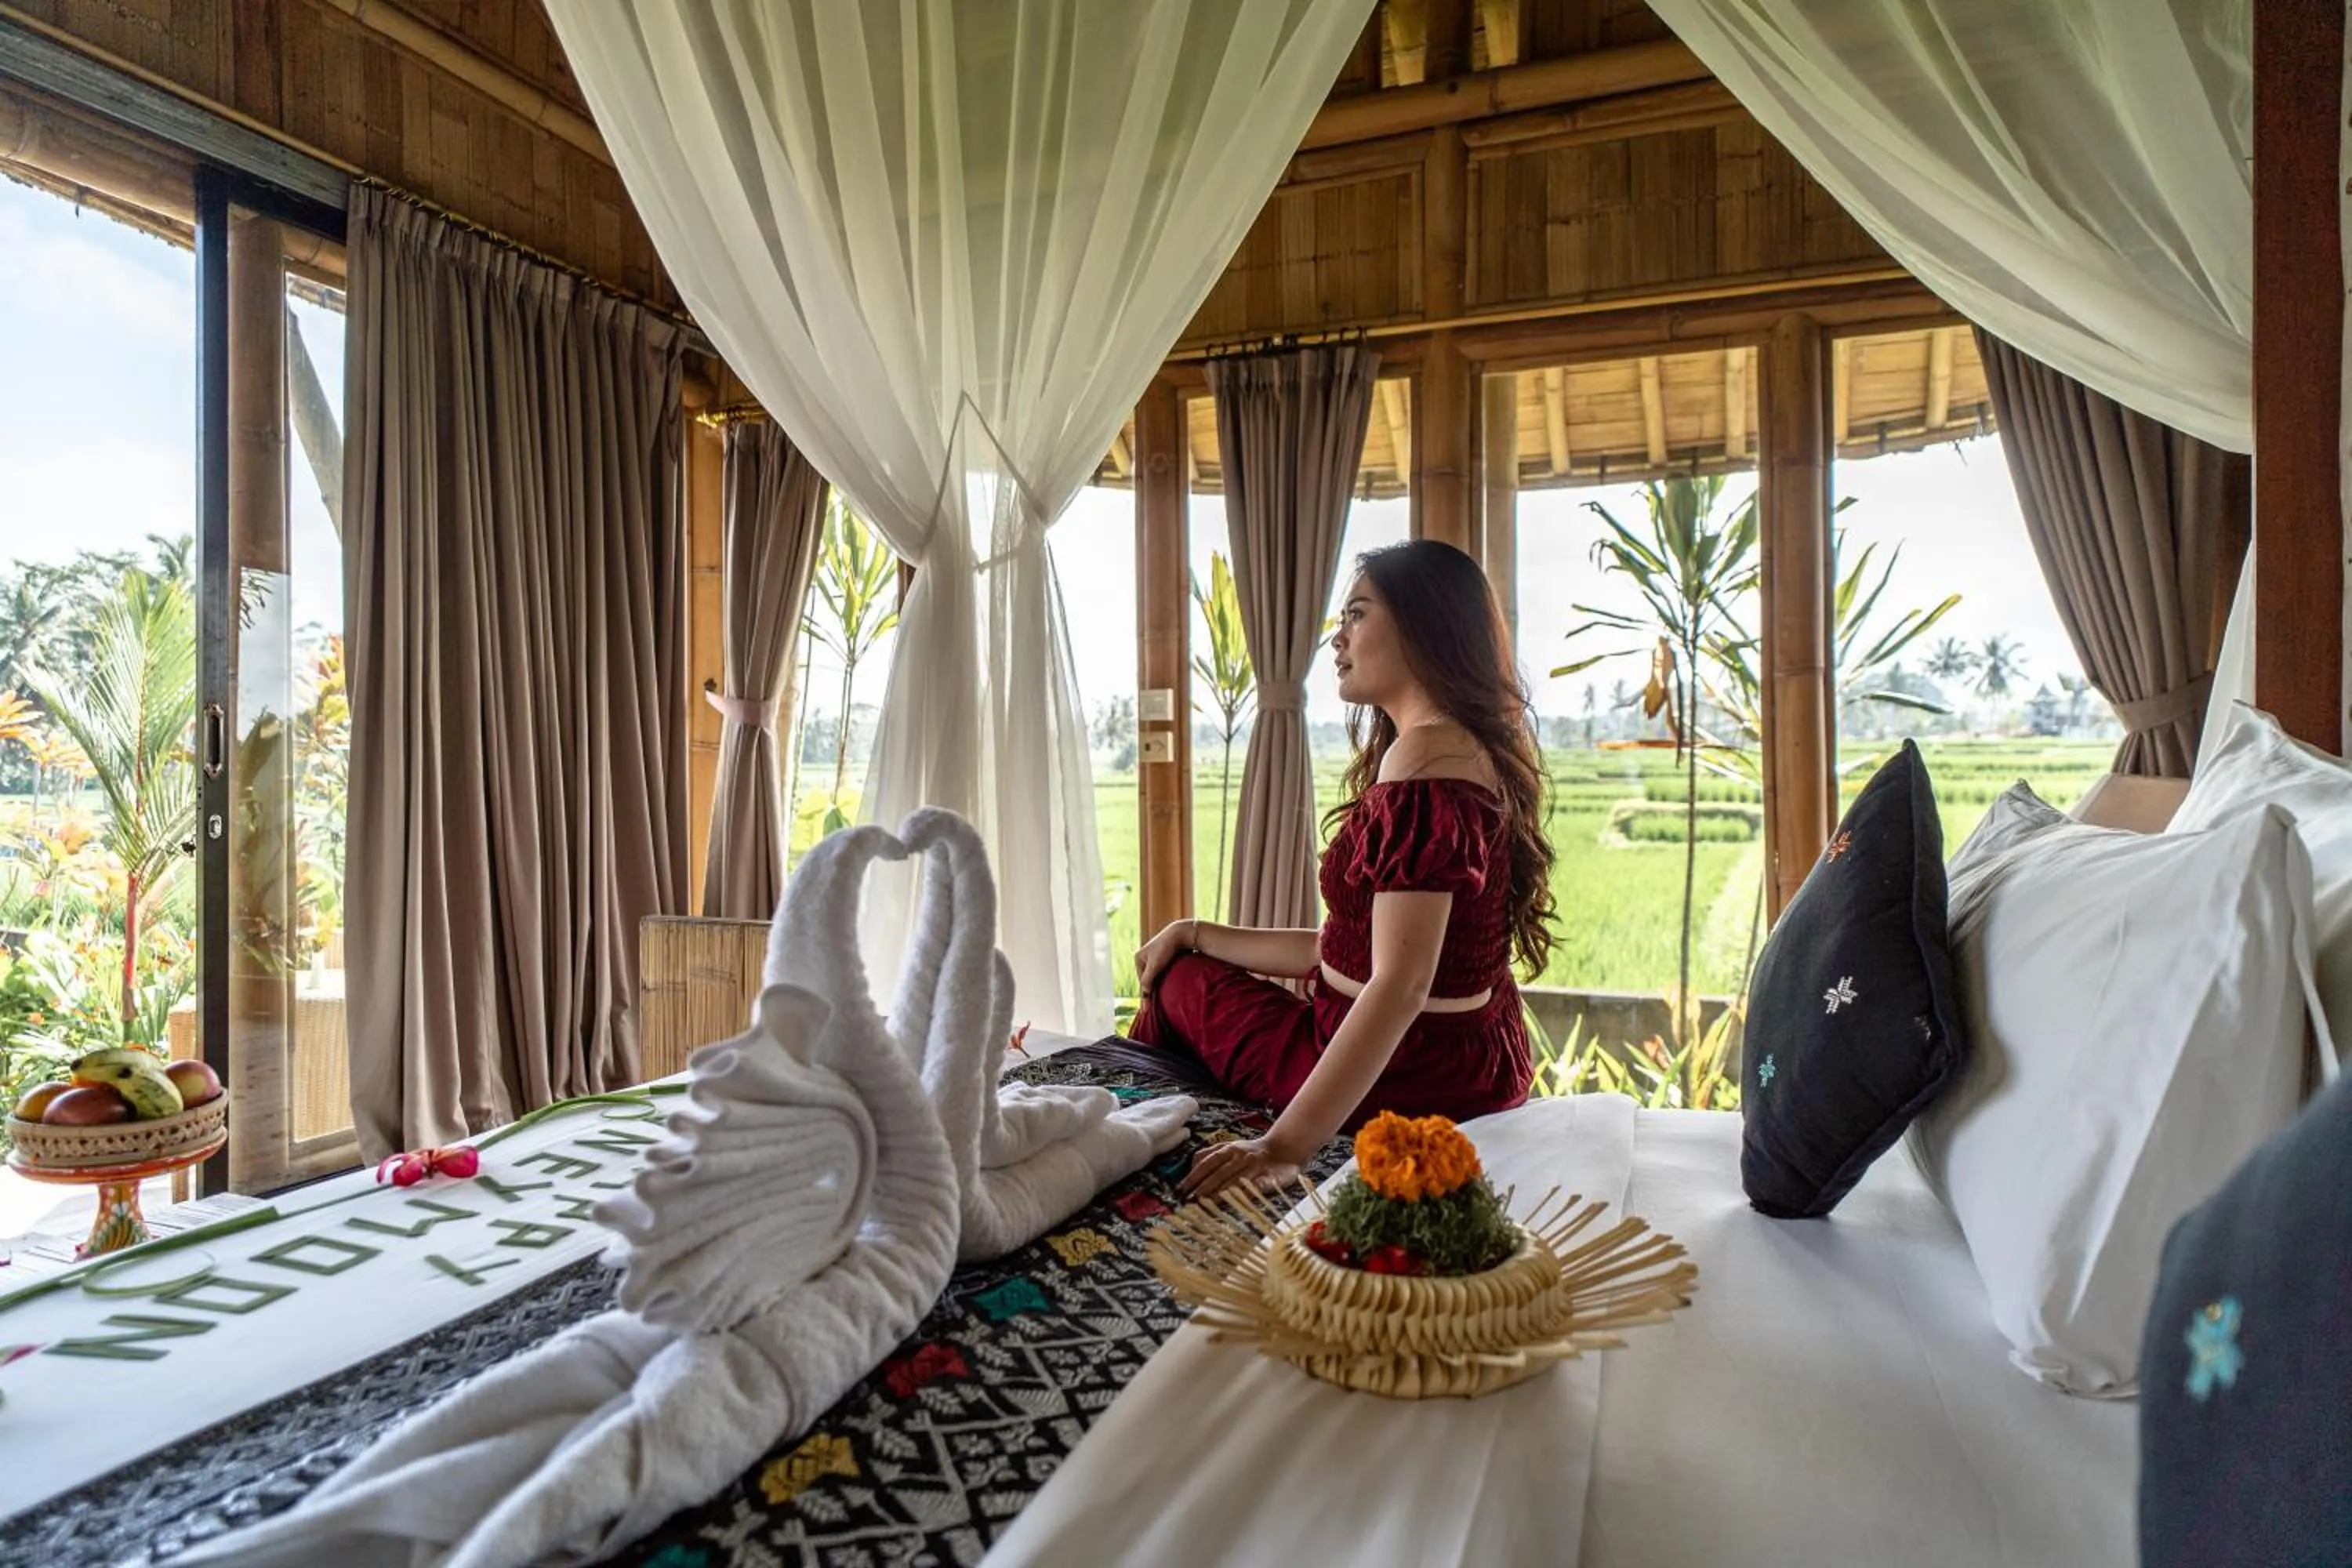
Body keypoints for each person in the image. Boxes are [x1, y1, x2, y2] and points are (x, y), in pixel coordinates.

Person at [1130, 538, 1558, 1201]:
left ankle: (1138, 1154)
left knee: (1178, 986)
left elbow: (1400, 984)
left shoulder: (1424, 764)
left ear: (1423, 626)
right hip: (1473, 1066)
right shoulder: (1466, 750)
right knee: (1187, 957)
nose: (1337, 639)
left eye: (1356, 614)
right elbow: (1352, 956)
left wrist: (1282, 1148)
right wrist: (1194, 929)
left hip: (1405, 1079)